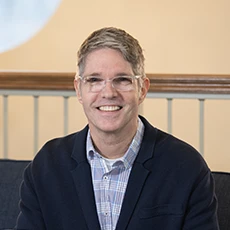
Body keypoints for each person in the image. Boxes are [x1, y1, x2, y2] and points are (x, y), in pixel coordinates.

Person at [16, 27, 219, 230]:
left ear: (143, 89)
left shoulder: (186, 167)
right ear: (79, 90)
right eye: (94, 80)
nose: (108, 93)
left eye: (122, 80)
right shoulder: (46, 166)